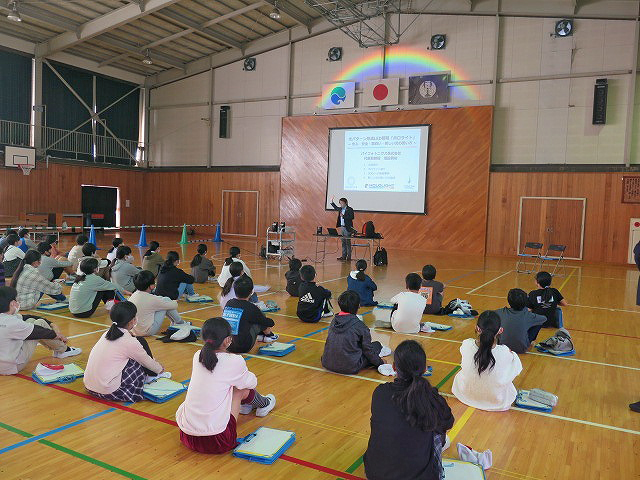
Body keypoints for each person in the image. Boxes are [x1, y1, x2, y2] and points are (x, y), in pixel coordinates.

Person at [176, 317, 276, 454]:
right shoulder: (234, 360)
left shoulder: (198, 355)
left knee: (224, 386)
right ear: (228, 340)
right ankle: (264, 404)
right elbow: (251, 383)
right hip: (217, 441)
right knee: (240, 388)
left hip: (187, 436)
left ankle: (247, 406)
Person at [364, 340, 454, 480]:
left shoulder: (380, 392)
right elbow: (448, 423)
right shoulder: (431, 398)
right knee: (437, 433)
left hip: (374, 473)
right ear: (425, 369)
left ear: (394, 367)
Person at [84, 301, 170, 402]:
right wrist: (159, 369)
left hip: (90, 386)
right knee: (136, 363)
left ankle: (150, 375)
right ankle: (151, 377)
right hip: (108, 391)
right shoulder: (129, 341)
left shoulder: (107, 333)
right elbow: (146, 361)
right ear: (132, 321)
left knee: (134, 353)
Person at [0, 286, 81, 375]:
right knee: (39, 324)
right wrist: (57, 334)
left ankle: (61, 349)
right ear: (12, 303)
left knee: (31, 321)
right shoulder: (12, 322)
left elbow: (27, 317)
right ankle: (63, 350)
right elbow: (38, 332)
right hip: (10, 367)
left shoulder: (7, 318)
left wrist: (52, 324)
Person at [452, 311, 522, 411]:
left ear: (477, 328)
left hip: (465, 396)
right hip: (497, 402)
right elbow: (517, 369)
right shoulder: (505, 351)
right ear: (500, 330)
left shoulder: (466, 344)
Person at [321, 290, 388, 375]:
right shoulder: (360, 326)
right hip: (350, 367)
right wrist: (380, 362)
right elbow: (367, 350)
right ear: (358, 306)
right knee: (376, 345)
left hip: (327, 362)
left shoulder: (334, 321)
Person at [224, 276, 278, 353]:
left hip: (226, 345)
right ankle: (270, 335)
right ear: (251, 292)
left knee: (247, 319)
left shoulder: (229, 303)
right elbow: (269, 323)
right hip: (243, 347)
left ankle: (263, 336)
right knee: (258, 318)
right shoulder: (251, 307)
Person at [129, 270, 187, 337]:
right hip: (147, 331)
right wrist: (173, 301)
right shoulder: (151, 298)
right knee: (165, 302)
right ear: (151, 286)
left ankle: (177, 322)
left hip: (134, 330)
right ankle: (180, 322)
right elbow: (174, 305)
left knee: (163, 301)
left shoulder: (134, 295)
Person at [495, 288, 547, 354]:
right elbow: (544, 319)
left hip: (502, 347)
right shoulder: (528, 315)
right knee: (538, 323)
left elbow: (487, 315)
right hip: (522, 349)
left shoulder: (501, 312)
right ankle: (530, 342)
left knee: (496, 322)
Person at [330, 196, 354, 261]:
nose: (341, 204)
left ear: (345, 203)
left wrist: (343, 216)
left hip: (347, 228)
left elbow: (352, 217)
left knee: (348, 242)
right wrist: (332, 202)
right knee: (343, 242)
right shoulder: (340, 209)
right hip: (342, 227)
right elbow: (335, 208)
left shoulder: (350, 209)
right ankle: (343, 256)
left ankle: (349, 257)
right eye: (340, 203)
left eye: (342, 203)